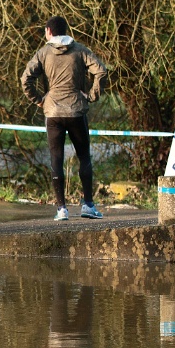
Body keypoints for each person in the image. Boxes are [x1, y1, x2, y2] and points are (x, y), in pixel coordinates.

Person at [21, 16, 108, 221]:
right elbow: (101, 71)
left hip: (53, 113)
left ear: (49, 31)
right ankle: (88, 205)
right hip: (77, 111)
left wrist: (39, 100)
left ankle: (61, 209)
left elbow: (25, 79)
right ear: (65, 30)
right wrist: (92, 96)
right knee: (84, 157)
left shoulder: (43, 53)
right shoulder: (80, 50)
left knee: (56, 159)